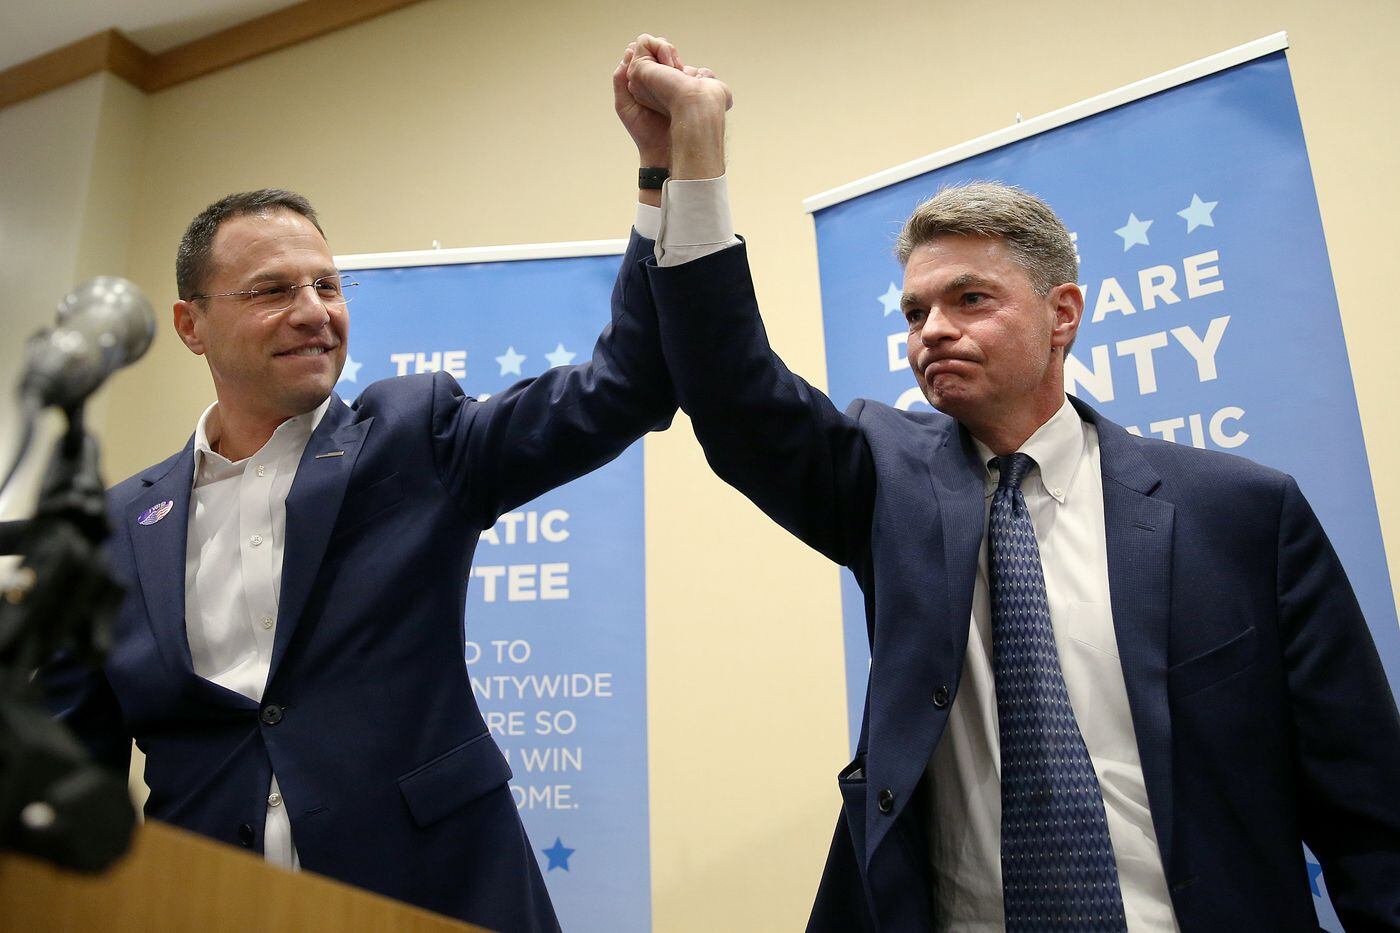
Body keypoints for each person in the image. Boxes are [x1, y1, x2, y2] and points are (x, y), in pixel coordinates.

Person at [623, 37, 1400, 931]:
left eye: (970, 299)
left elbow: (1370, 818)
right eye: (915, 311)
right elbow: (732, 393)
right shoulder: (887, 482)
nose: (931, 330)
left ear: (1062, 313)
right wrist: (690, 153)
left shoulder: (1242, 512)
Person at [38, 47, 695, 931]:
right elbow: (63, 780)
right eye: (273, 290)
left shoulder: (416, 436)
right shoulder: (112, 529)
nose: (315, 310)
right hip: (204, 905)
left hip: (436, 894)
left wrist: (664, 177)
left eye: (327, 284)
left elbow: (627, 387)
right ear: (192, 325)